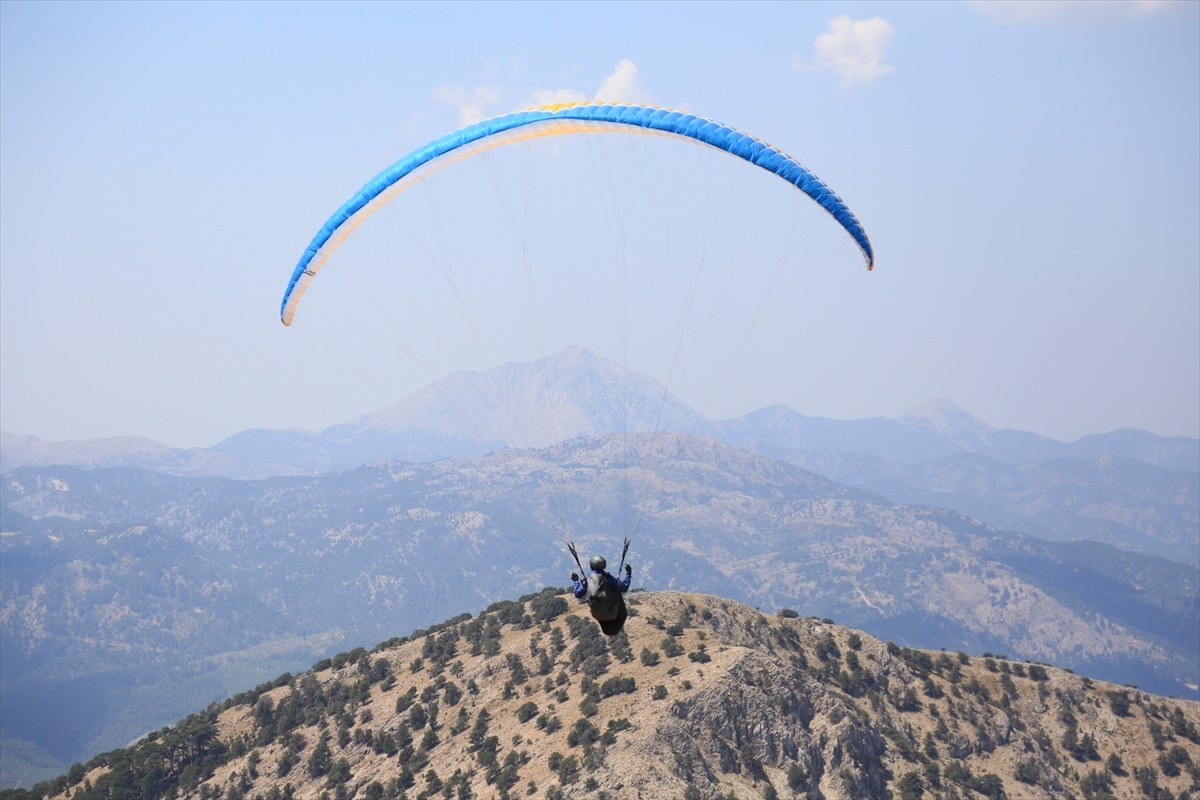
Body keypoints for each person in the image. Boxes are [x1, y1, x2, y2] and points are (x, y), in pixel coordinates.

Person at [571, 555, 632, 636]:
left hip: (598, 615)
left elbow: (578, 594)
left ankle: (610, 630)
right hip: (612, 613)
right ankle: (612, 630)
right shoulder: (608, 578)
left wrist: (575, 581)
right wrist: (628, 574)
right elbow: (624, 587)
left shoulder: (587, 580)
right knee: (616, 590)